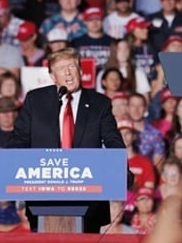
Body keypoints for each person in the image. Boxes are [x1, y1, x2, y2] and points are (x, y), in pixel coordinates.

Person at [7, 46, 125, 231]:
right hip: (43, 198)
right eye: (62, 69)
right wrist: (9, 170)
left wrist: (120, 169)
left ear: (80, 70)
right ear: (53, 76)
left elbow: (113, 142)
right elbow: (19, 140)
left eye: (72, 66)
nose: (68, 73)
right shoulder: (35, 100)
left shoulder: (99, 103)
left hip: (88, 198)